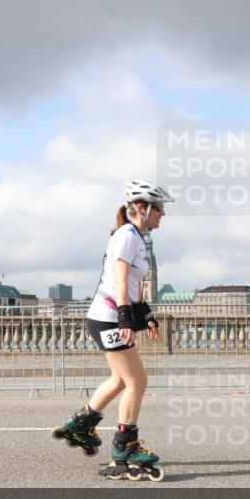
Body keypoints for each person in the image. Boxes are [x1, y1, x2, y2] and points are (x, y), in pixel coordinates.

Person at [51, 180, 173, 482]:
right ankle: (125, 447)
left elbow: (135, 287)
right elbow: (119, 282)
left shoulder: (135, 237)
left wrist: (146, 316)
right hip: (108, 318)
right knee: (137, 381)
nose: (163, 215)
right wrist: (124, 321)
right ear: (143, 209)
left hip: (105, 316)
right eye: (159, 208)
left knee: (120, 379)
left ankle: (81, 424)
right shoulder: (127, 237)